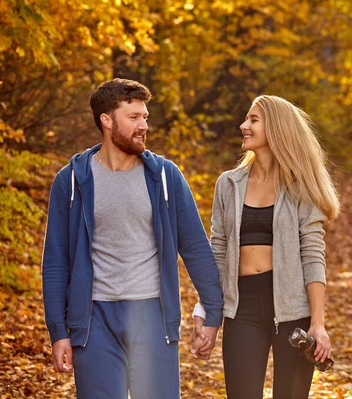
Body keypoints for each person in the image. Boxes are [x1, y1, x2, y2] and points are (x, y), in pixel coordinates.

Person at [41, 78, 223, 399]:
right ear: (107, 122)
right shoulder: (71, 181)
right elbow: (56, 262)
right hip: (93, 320)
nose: (143, 126)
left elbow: (195, 247)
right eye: (134, 117)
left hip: (152, 315)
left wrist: (212, 310)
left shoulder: (165, 177)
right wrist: (59, 332)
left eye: (145, 117)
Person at [193, 95, 340, 398]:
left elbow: (313, 255)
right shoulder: (228, 183)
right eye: (246, 119)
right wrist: (207, 310)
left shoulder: (300, 186)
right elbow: (218, 250)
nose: (243, 125)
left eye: (253, 120)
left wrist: (318, 323)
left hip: (292, 310)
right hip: (241, 308)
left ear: (276, 128)